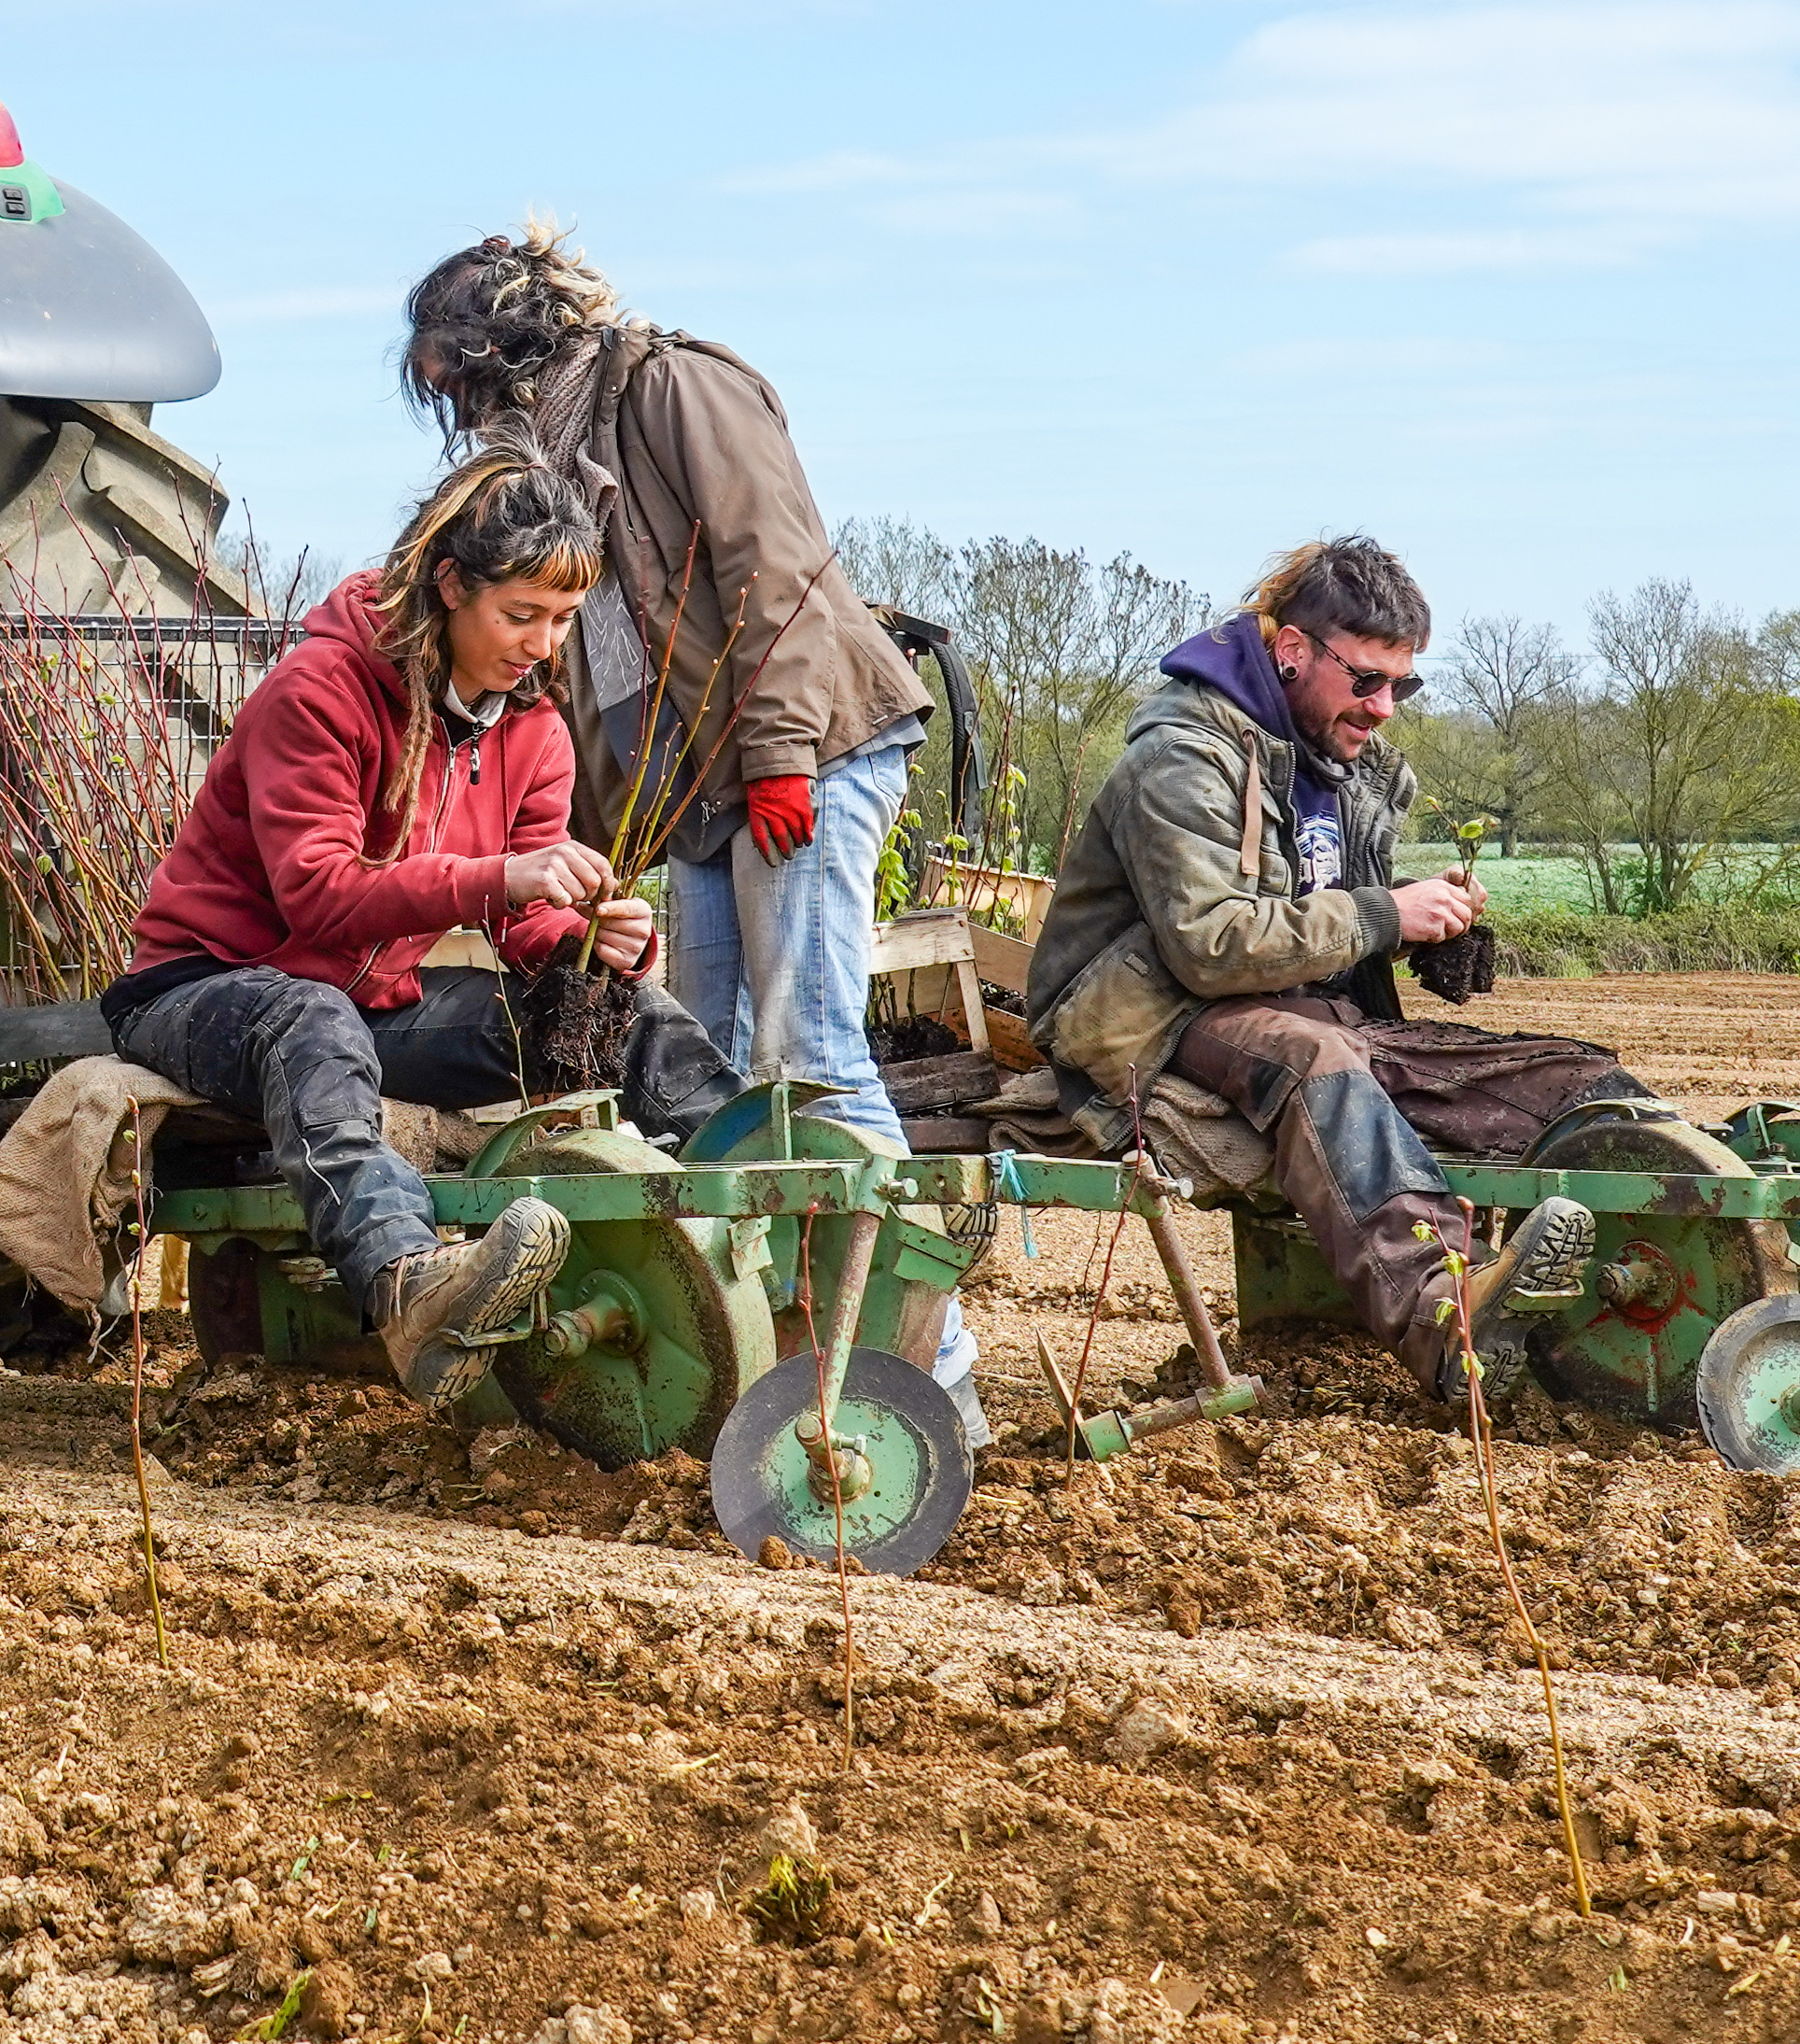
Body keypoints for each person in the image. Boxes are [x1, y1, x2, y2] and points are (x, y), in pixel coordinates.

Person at [101, 451, 671, 1411]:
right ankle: (409, 1285)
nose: (542, 643)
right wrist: (498, 875)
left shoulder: (533, 733)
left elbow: (526, 917)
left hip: (367, 1005)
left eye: (562, 619)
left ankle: (781, 1190)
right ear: (450, 585)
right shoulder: (318, 691)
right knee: (308, 1016)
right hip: (200, 989)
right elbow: (318, 897)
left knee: (612, 1010)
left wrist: (595, 941)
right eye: (519, 614)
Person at [1023, 538, 1609, 1413]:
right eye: (1367, 680)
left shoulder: (1335, 757)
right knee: (1316, 1067)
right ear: (1292, 649)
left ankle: (1609, 1315)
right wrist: (1382, 913)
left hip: (1297, 999)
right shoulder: (1181, 755)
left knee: (1562, 1078)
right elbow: (1209, 943)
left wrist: (1419, 923)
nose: (1384, 707)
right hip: (1153, 1011)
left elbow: (1317, 907)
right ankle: (1450, 1319)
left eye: (1401, 686)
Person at [396, 229, 936, 1148]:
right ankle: (772, 1292)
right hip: (706, 799)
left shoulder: (674, 387)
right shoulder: (552, 466)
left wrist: (777, 756)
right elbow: (589, 680)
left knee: (805, 1056)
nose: (457, 407)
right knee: (708, 1080)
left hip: (812, 754)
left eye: (455, 380)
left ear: (499, 346)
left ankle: (910, 1296)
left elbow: (775, 568)